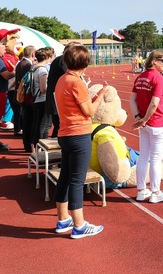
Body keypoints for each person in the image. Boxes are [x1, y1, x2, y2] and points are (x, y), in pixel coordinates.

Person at [54, 44, 106, 239]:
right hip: (79, 134)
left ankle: (63, 219)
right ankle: (79, 225)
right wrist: (100, 96)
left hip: (66, 133)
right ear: (85, 63)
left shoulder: (62, 80)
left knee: (65, 177)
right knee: (77, 181)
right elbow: (90, 111)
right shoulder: (76, 82)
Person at [130, 50, 163, 203]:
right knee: (156, 158)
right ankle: (155, 192)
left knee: (144, 157)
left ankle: (141, 191)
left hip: (144, 124)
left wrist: (139, 118)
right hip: (157, 122)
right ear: (154, 60)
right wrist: (145, 119)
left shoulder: (140, 78)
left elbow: (132, 100)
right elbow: (154, 103)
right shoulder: (158, 78)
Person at [46, 41, 80, 138]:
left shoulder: (59, 60)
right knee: (60, 127)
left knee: (58, 127)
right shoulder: (63, 61)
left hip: (55, 98)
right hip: (57, 100)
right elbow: (69, 78)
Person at [31, 47, 55, 148]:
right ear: (47, 57)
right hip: (42, 100)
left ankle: (38, 147)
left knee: (40, 125)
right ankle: (41, 148)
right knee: (43, 126)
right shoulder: (42, 70)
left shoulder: (35, 67)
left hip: (38, 100)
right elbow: (43, 88)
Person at [16, 46, 36, 151]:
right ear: (33, 54)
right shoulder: (28, 65)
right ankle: (28, 144)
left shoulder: (20, 63)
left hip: (23, 96)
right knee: (29, 121)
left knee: (26, 120)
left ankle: (27, 144)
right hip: (27, 97)